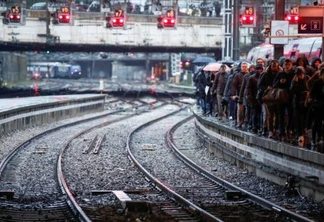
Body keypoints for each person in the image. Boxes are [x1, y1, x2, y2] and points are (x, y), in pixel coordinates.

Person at [273, 59, 295, 141]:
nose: (287, 66)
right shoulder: (280, 74)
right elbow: (274, 85)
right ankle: (282, 132)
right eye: (286, 64)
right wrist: (279, 82)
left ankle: (289, 129)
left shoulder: (294, 74)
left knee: (290, 115)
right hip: (281, 97)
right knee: (281, 115)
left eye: (289, 64)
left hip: (291, 97)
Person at [290, 66, 309, 145]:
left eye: (301, 74)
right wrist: (295, 83)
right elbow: (292, 90)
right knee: (298, 118)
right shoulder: (294, 80)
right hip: (297, 101)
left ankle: (304, 131)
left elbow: (309, 88)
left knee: (305, 117)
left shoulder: (307, 78)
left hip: (305, 100)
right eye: (298, 74)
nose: (300, 76)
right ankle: (299, 134)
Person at [309, 62, 324, 149]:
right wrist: (316, 100)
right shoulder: (317, 82)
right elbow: (312, 94)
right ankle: (314, 138)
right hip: (318, 105)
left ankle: (320, 136)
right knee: (317, 122)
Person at [247, 64, 263, 133]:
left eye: (260, 69)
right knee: (254, 113)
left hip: (261, 97)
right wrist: (250, 96)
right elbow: (249, 88)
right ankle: (254, 126)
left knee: (260, 113)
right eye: (258, 69)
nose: (259, 70)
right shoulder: (252, 78)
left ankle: (259, 126)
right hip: (254, 97)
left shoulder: (263, 76)